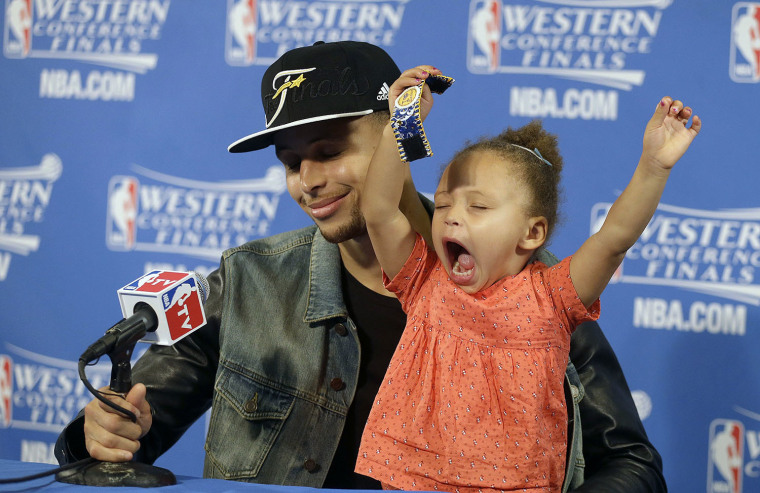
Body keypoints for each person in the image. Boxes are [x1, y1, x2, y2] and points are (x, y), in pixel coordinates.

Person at [55, 41, 669, 492]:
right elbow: (133, 421)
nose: (309, 182)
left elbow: (631, 465)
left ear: (391, 145)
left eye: (329, 151)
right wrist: (99, 436)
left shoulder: (529, 288)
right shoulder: (247, 283)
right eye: (292, 162)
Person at [353, 66, 700, 492]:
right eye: (443, 205)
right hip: (409, 477)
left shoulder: (552, 297)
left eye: (478, 207)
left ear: (532, 233)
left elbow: (614, 239)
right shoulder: (424, 281)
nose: (453, 216)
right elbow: (379, 210)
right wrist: (401, 122)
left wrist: (653, 166)